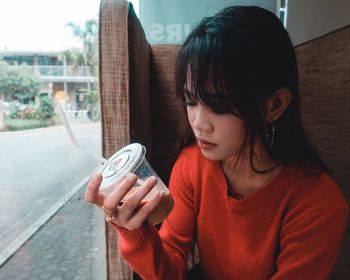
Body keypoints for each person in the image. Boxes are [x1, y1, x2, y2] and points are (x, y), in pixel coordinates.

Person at [85, 6, 348, 279]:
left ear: (275, 105)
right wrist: (135, 232)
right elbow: (170, 266)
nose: (198, 123)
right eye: (190, 101)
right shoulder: (192, 165)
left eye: (218, 105)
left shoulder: (319, 205)